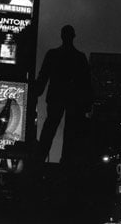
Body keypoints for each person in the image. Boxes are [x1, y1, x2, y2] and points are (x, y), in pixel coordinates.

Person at [34, 25, 92, 168]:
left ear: (62, 36)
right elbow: (87, 83)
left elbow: (43, 76)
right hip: (73, 100)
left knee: (50, 129)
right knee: (69, 132)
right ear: (73, 36)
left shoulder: (53, 54)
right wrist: (87, 103)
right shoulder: (80, 57)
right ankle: (66, 162)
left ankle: (40, 160)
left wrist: (36, 91)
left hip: (58, 97)